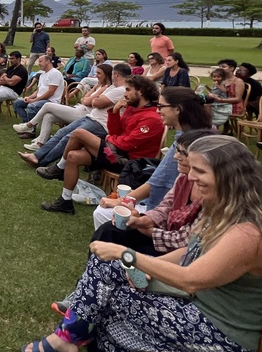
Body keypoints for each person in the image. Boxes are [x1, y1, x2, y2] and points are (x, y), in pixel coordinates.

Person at [20, 135, 262, 352]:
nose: (190, 177)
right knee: (107, 277)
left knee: (108, 299)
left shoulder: (248, 234)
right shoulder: (227, 211)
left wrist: (128, 255)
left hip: (222, 338)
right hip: (198, 309)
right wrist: (140, 265)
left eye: (199, 171)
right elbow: (187, 252)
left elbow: (190, 279)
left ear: (229, 175)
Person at [42, 75, 164, 215]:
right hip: (117, 152)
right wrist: (115, 112)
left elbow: (127, 144)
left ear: (141, 91)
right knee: (73, 156)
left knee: (79, 134)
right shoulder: (132, 108)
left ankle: (59, 168)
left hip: (130, 163)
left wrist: (109, 138)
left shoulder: (152, 118)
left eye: (128, 90)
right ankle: (65, 201)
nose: (124, 94)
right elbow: (116, 132)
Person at [91, 87, 212, 224]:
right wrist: (114, 112)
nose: (157, 110)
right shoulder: (194, 134)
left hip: (166, 209)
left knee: (102, 213)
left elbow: (159, 181)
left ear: (178, 109)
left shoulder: (187, 142)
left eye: (161, 106)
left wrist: (124, 200)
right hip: (167, 202)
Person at [89, 129, 211, 256]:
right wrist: (143, 220)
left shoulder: (212, 196)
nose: (175, 156)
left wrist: (144, 227)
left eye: (183, 153)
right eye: (176, 150)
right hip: (165, 232)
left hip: (180, 252)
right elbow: (166, 206)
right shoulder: (184, 177)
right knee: (109, 230)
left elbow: (183, 241)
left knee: (106, 221)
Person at [29, 64, 130, 172]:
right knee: (62, 132)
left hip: (99, 123)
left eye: (99, 73)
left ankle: (43, 161)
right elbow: (89, 100)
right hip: (90, 117)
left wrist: (95, 99)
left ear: (116, 74)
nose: (96, 75)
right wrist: (94, 99)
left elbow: (96, 102)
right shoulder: (112, 87)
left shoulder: (120, 90)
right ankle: (37, 156)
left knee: (67, 137)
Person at [13, 54, 65, 122]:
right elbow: (38, 90)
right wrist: (29, 98)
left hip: (51, 101)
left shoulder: (55, 73)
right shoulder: (42, 74)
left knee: (31, 106)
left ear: (48, 61)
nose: (38, 64)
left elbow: (51, 92)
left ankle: (30, 128)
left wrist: (35, 100)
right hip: (40, 99)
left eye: (40, 61)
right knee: (17, 103)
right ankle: (27, 123)